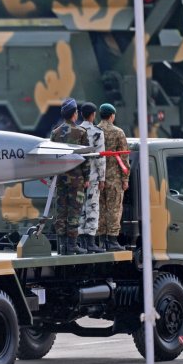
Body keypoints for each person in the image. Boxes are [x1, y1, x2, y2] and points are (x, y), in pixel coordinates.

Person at [50, 98, 90, 255]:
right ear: (75, 113)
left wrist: (52, 176)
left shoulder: (55, 133)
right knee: (74, 211)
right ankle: (72, 246)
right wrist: (87, 178)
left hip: (60, 178)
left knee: (61, 211)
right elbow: (86, 158)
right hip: (77, 180)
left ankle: (62, 246)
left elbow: (50, 157)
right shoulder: (81, 132)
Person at [97, 103, 130, 251]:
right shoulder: (118, 132)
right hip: (114, 178)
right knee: (114, 209)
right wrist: (125, 178)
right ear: (111, 116)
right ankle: (112, 241)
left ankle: (101, 241)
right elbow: (123, 158)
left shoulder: (94, 131)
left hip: (97, 178)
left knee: (99, 209)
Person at [78, 102, 106, 253]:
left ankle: (81, 242)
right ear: (93, 115)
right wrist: (102, 178)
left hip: (79, 176)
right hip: (94, 176)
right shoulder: (97, 132)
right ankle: (91, 242)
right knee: (93, 207)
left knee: (81, 208)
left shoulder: (77, 130)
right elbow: (100, 157)